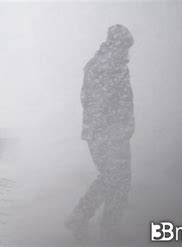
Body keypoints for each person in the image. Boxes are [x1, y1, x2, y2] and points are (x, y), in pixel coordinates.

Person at [65, 24, 135, 242]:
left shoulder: (105, 64)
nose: (127, 52)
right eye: (125, 46)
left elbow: (94, 100)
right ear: (116, 43)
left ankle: (82, 218)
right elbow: (95, 102)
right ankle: (109, 228)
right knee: (119, 180)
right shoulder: (107, 66)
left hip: (107, 133)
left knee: (111, 178)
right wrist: (112, 128)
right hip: (109, 134)